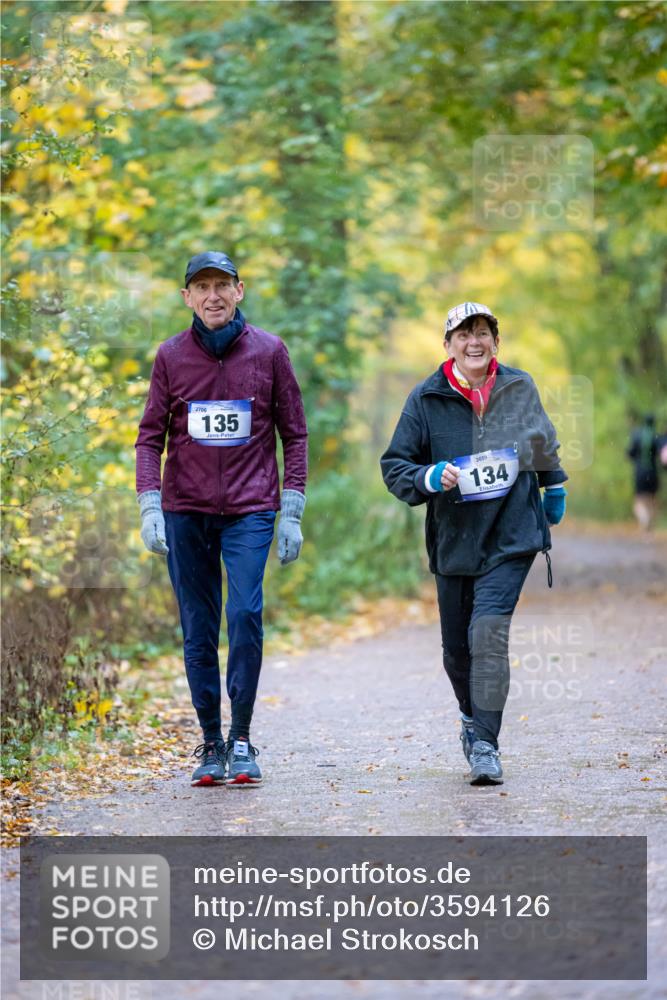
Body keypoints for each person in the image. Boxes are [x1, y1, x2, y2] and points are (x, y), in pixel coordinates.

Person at [135, 251, 308, 787]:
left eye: (222, 285)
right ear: (187, 297)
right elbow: (149, 437)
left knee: (245, 613)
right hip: (185, 510)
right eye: (201, 286)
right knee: (198, 627)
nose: (213, 295)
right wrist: (149, 505)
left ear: (240, 291)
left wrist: (292, 509)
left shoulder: (269, 351)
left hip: (251, 509)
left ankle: (242, 738)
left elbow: (294, 433)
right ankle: (210, 742)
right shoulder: (170, 356)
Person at [380, 302, 568, 786]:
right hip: (455, 538)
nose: (474, 342)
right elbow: (395, 465)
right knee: (455, 650)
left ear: (495, 342)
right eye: (463, 335)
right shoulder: (425, 398)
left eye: (482, 333)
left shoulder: (518, 385)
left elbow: (542, 439)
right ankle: (470, 716)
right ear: (448, 345)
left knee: (489, 633)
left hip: (512, 534)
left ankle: (485, 743)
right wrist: (427, 475)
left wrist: (555, 486)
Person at [627, 414, 660, 531]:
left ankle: (644, 519)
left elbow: (629, 453)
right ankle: (649, 524)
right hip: (653, 472)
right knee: (652, 499)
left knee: (639, 500)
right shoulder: (656, 437)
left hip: (640, 472)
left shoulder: (636, 436)